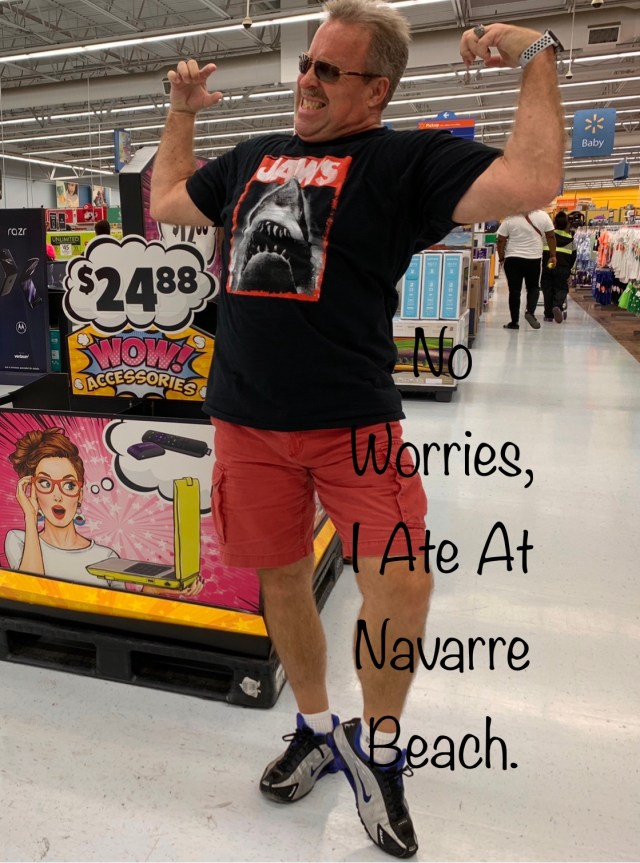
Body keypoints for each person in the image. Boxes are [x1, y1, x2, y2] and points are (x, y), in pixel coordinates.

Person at [149, 1, 564, 856]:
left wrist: (539, 58)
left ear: (377, 89)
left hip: (355, 423)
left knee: (401, 586)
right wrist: (182, 113)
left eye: (329, 71)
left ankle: (379, 749)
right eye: (307, 64)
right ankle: (314, 728)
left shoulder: (404, 161)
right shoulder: (251, 158)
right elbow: (167, 201)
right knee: (282, 578)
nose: (307, 81)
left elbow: (532, 181)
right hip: (248, 421)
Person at [5, 427, 119, 584]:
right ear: (33, 490)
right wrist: (30, 517)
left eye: (69, 485)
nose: (57, 496)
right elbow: (30, 590)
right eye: (45, 483)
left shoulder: (107, 558)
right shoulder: (19, 540)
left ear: (80, 494)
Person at [497, 209, 556, 329]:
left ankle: (514, 322)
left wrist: (501, 257)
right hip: (534, 258)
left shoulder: (510, 216)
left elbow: (501, 239)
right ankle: (530, 312)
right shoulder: (543, 216)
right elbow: (551, 236)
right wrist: (553, 255)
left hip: (513, 258)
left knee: (514, 291)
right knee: (533, 287)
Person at [541, 210, 576, 323]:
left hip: (549, 265)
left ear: (554, 224)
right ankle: (557, 305)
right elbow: (573, 257)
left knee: (548, 289)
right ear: (566, 224)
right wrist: (569, 270)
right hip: (563, 267)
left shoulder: (548, 238)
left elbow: (541, 253)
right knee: (561, 288)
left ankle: (548, 315)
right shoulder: (571, 241)